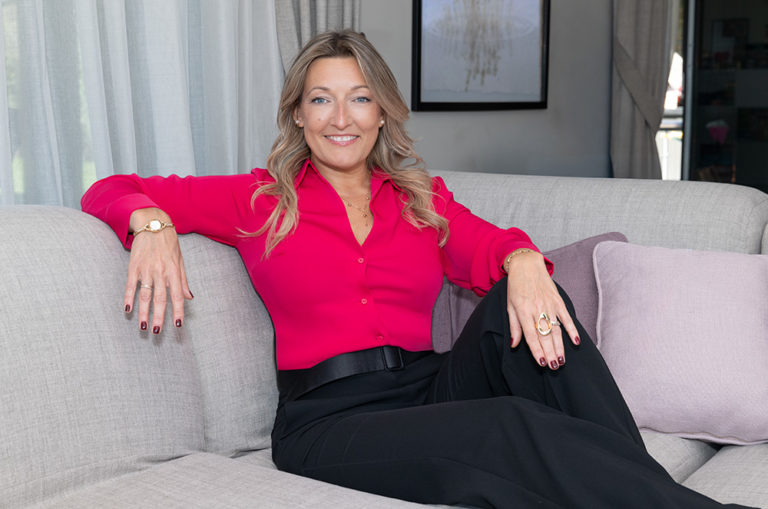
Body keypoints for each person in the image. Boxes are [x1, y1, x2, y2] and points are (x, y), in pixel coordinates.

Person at [81, 30, 753, 509]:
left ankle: (641, 490)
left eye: (359, 99)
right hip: (329, 418)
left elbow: (491, 246)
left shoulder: (418, 199)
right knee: (508, 424)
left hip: (429, 385)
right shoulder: (259, 198)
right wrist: (151, 225)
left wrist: (524, 260)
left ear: (382, 113)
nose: (340, 118)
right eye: (321, 99)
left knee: (531, 300)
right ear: (298, 114)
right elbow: (110, 187)